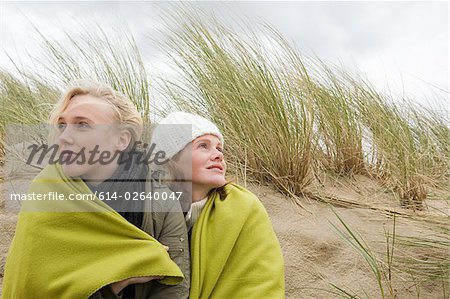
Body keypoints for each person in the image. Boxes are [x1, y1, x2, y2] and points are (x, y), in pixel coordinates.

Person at [2, 81, 189, 299]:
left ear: (121, 140)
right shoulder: (44, 195)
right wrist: (114, 286)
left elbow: (173, 289)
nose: (63, 137)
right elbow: (30, 288)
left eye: (82, 125)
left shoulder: (160, 202)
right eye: (62, 125)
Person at [151, 112, 285, 299]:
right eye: (203, 146)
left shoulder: (244, 208)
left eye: (220, 148)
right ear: (172, 159)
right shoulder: (148, 209)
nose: (218, 155)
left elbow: (261, 284)